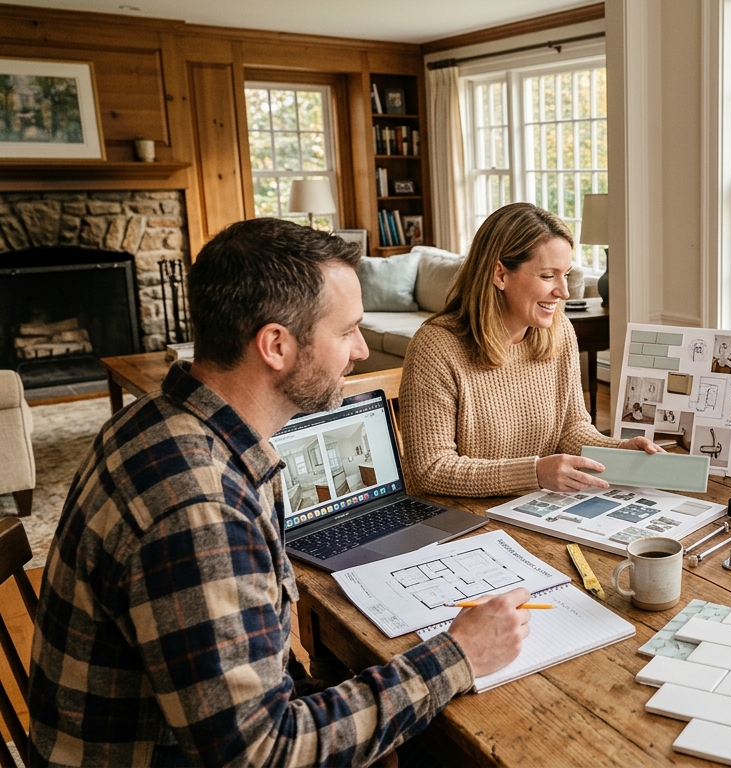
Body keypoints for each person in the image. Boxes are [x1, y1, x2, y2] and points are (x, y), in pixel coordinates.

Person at [28, 218, 531, 768]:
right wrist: (457, 656)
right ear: (276, 345)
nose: (360, 350)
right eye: (346, 332)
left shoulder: (157, 418)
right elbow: (263, 753)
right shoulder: (200, 510)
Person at [401, 202, 659, 497]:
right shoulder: (435, 348)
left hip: (534, 507)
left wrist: (620, 450)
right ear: (500, 274)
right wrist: (535, 474)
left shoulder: (558, 331)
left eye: (566, 274)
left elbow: (571, 430)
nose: (563, 291)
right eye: (548, 276)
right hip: (460, 517)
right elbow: (430, 470)